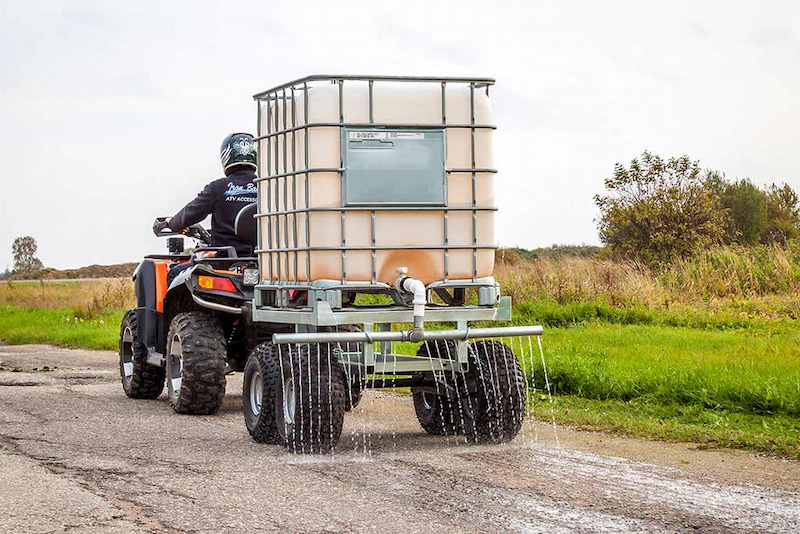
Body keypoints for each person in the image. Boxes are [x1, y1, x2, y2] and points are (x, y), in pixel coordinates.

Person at [156, 133, 258, 285]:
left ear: (226, 155)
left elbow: (188, 214)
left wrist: (171, 223)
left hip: (226, 263)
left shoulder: (218, 188)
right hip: (266, 263)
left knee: (174, 273)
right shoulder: (269, 187)